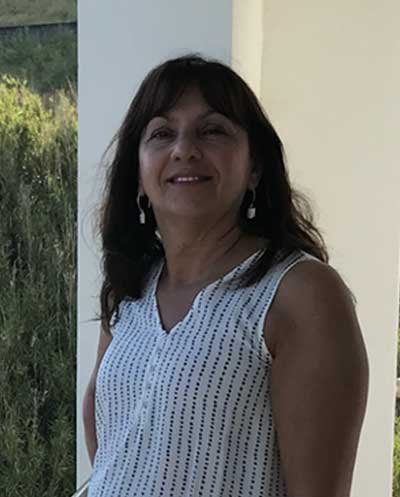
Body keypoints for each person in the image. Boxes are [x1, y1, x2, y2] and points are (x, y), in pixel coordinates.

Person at [82, 53, 369, 497]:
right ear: (138, 175)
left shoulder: (299, 294)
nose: (184, 149)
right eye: (162, 133)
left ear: (255, 167)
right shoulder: (130, 287)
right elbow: (114, 456)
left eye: (212, 130)